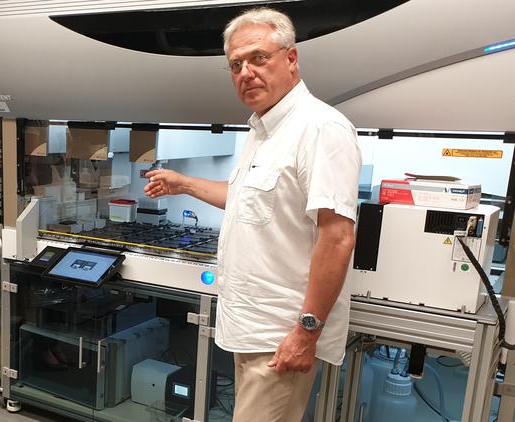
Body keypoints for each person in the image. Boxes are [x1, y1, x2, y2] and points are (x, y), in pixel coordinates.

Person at [144, 7, 361, 421]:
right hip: (249, 327)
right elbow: (248, 199)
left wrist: (306, 332)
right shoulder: (263, 131)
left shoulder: (320, 129)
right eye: (236, 64)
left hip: (281, 336)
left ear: (291, 59)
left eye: (259, 57)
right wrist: (183, 183)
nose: (246, 72)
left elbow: (337, 237)